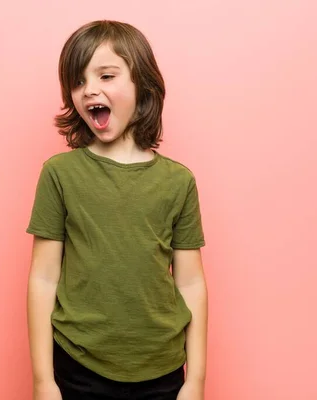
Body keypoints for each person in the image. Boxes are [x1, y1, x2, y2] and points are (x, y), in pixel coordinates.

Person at [26, 20, 208, 400]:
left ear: (142, 84)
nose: (89, 89)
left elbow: (190, 282)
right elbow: (43, 277)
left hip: (162, 370)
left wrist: (196, 381)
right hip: (78, 366)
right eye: (77, 82)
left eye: (106, 75)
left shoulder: (179, 182)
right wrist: (44, 381)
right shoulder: (59, 174)